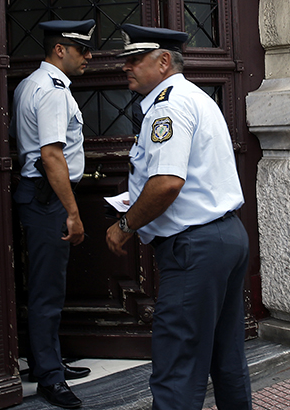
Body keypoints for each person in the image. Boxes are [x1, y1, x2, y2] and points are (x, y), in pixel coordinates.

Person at [106, 24, 252, 410]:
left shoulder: (167, 106)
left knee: (177, 368)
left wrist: (125, 225)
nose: (126, 67)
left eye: (135, 59)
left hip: (195, 248)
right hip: (224, 236)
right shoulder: (194, 96)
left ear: (164, 61)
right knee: (227, 356)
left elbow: (167, 183)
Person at [11, 19, 95, 409]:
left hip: (37, 194)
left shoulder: (31, 83)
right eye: (82, 50)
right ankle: (49, 377)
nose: (88, 57)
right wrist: (72, 212)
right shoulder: (52, 91)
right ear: (60, 50)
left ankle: (47, 360)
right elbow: (51, 155)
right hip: (48, 199)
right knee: (48, 290)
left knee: (45, 285)